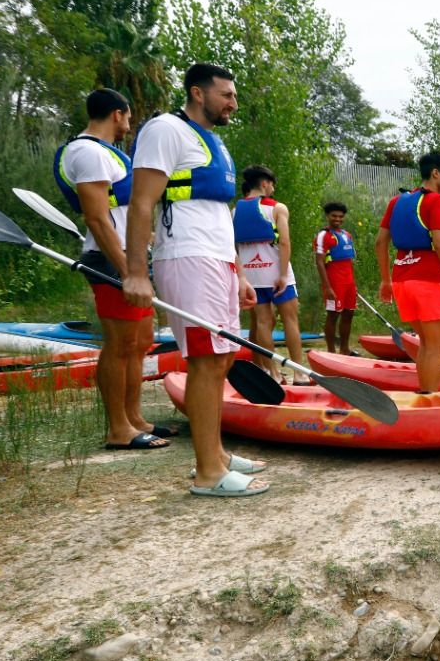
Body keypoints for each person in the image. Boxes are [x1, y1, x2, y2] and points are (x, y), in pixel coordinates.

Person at [124, 63, 267, 497]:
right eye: (226, 94)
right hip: (187, 255)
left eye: (234, 95)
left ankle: (217, 454)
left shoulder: (215, 143)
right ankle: (208, 473)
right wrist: (135, 271)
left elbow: (218, 211)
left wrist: (239, 272)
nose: (233, 103)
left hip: (218, 259)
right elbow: (141, 203)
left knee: (222, 357)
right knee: (206, 360)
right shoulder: (166, 129)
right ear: (198, 93)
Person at [52, 87, 174, 451]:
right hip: (110, 258)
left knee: (139, 343)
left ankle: (136, 418)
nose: (130, 124)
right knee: (119, 345)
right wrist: (127, 272)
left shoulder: (108, 154)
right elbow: (97, 218)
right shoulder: (87, 152)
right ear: (118, 114)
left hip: (130, 256)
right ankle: (118, 428)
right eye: (129, 117)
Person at [377, 152, 440, 393]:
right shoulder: (438, 201)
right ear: (435, 173)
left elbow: (380, 242)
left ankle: (423, 393)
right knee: (435, 346)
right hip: (428, 281)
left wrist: (385, 281)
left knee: (426, 344)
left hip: (401, 281)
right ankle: (428, 398)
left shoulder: (396, 201)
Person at [232, 166, 310, 383]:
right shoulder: (277, 208)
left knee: (263, 323)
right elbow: (284, 242)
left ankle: (273, 374)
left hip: (252, 276)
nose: (273, 189)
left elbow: (231, 247)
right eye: (272, 184)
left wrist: (242, 277)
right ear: (265, 183)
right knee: (290, 321)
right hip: (277, 273)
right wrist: (284, 275)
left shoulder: (234, 211)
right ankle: (299, 373)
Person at [313, 201, 358, 354]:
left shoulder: (347, 235)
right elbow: (319, 261)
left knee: (349, 314)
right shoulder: (323, 235)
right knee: (333, 315)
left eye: (340, 216)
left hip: (348, 282)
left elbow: (348, 261)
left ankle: (344, 349)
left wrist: (353, 284)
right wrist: (327, 286)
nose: (337, 219)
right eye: (334, 216)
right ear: (327, 216)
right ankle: (331, 351)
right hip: (334, 282)